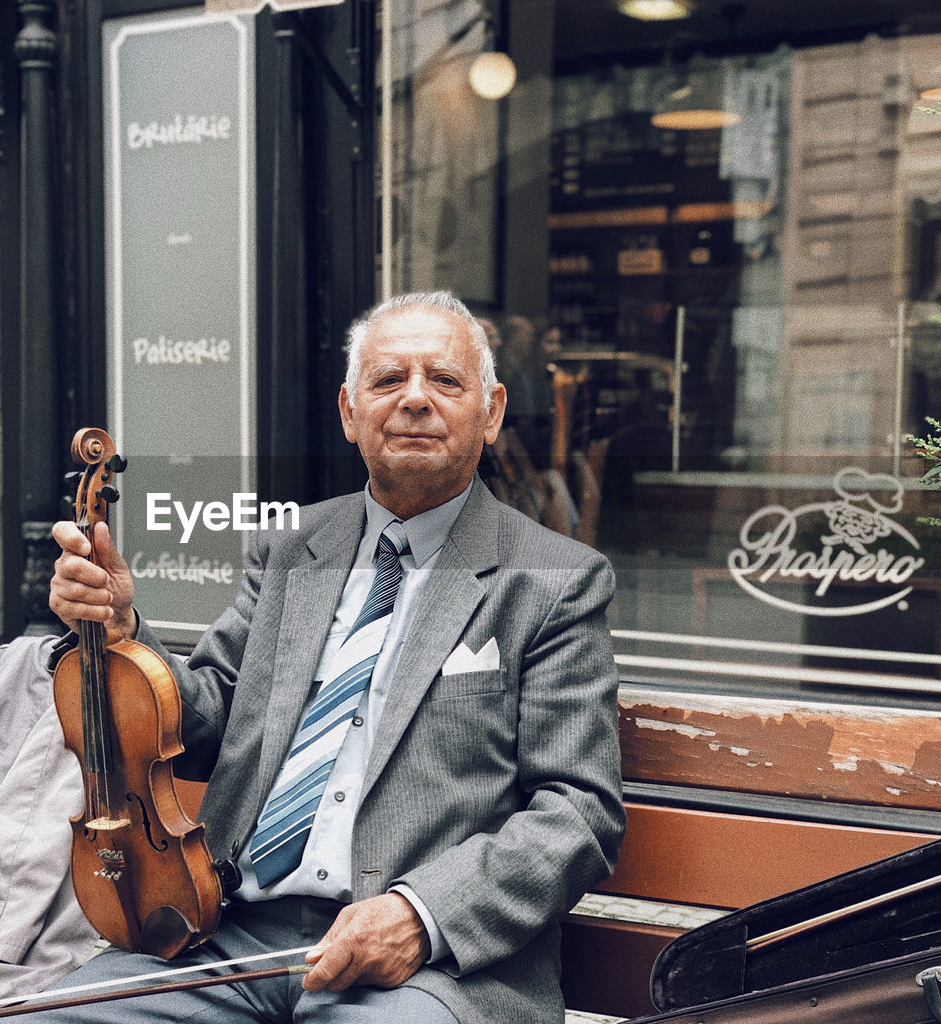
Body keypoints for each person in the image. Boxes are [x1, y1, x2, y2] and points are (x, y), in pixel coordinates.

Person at [41, 290, 625, 1024]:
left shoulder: (555, 580)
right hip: (226, 934)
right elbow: (204, 724)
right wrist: (123, 629)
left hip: (425, 971)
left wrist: (419, 914)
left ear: (493, 410)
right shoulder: (291, 550)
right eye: (387, 381)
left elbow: (577, 811)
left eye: (444, 380)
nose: (415, 400)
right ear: (351, 413)